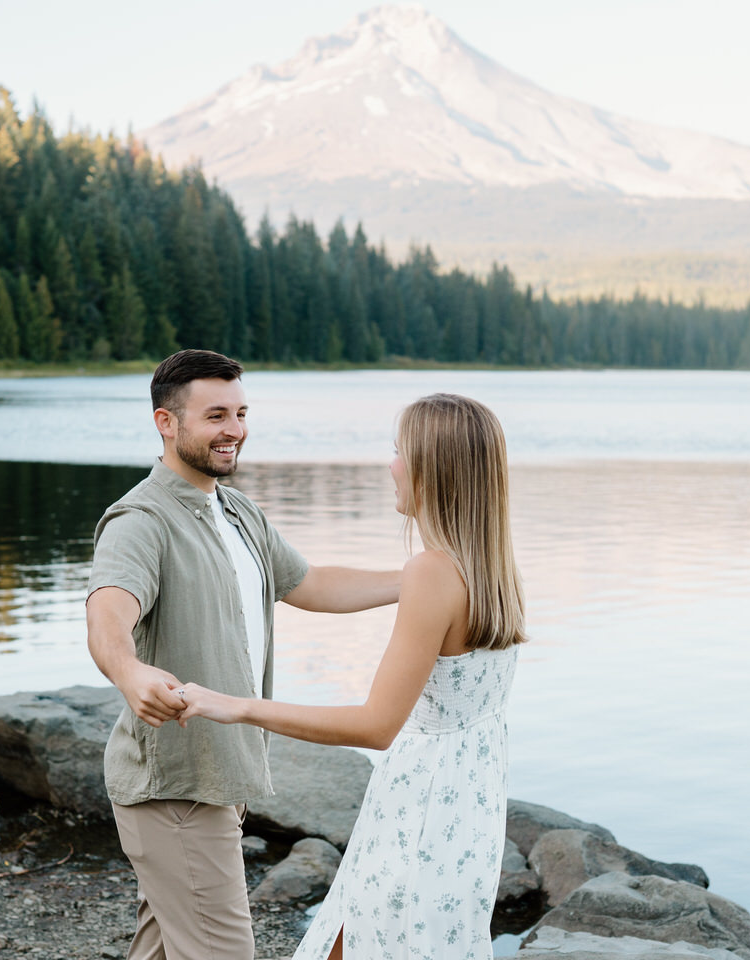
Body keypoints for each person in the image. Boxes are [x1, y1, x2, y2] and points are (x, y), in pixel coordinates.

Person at [178, 392, 526, 960]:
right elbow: (326, 585)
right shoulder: (493, 572)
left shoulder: (433, 574)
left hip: (418, 815)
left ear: (432, 467)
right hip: (469, 815)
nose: (390, 465)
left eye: (398, 450)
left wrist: (237, 705)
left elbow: (374, 726)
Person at [85, 349, 401, 960]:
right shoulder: (140, 521)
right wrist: (129, 673)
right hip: (177, 789)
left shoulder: (236, 509)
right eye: (216, 416)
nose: (235, 430)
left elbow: (310, 584)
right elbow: (107, 614)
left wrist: (419, 579)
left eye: (241, 413)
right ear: (166, 423)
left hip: (219, 779)